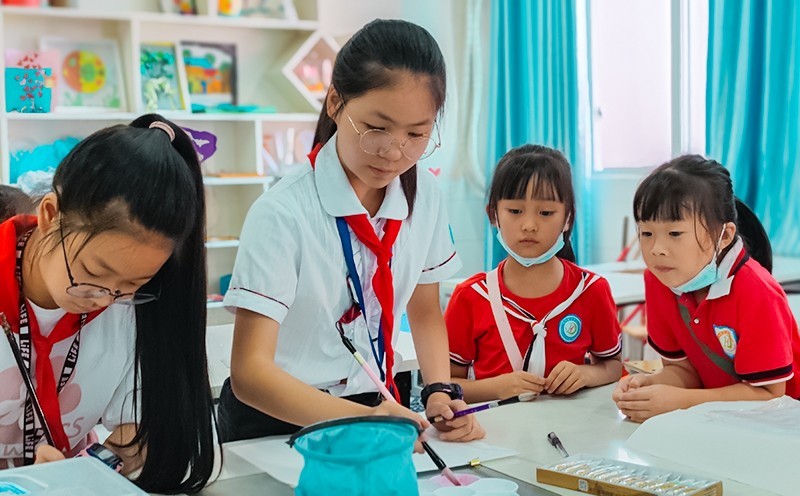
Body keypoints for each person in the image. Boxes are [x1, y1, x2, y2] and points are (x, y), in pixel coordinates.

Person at [219, 19, 483, 444]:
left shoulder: (426, 193)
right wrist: (363, 421)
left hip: (375, 405)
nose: (394, 152)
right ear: (335, 102)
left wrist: (438, 391)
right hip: (278, 419)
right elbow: (250, 373)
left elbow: (425, 309)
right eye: (376, 128)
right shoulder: (282, 212)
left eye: (417, 134)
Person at [0, 115, 216, 494]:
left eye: (133, 284)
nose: (105, 298)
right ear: (50, 216)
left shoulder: (130, 310)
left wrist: (84, 469)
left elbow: (139, 434)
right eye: (94, 273)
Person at [613, 155, 800, 422]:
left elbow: (769, 396)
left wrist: (681, 402)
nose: (657, 250)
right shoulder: (659, 280)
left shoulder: (758, 292)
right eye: (646, 233)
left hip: (779, 430)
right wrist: (648, 386)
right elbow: (684, 371)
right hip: (714, 422)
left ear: (724, 235)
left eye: (675, 234)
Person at [446, 144, 622, 403]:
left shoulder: (590, 289)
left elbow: (613, 366)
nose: (529, 225)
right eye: (515, 211)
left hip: (572, 433)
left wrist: (586, 374)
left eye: (546, 213)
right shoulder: (471, 296)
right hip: (494, 436)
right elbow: (445, 384)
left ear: (568, 219)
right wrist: (496, 387)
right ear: (493, 214)